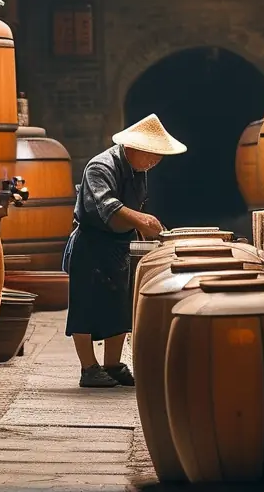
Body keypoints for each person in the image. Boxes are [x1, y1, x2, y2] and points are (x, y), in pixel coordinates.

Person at [62, 114, 187, 388]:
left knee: (118, 307)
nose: (154, 161)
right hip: (91, 242)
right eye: (151, 154)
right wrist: (141, 220)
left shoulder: (139, 170)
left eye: (159, 156)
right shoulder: (100, 166)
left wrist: (144, 228)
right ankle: (88, 368)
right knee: (85, 306)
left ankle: (113, 364)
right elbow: (107, 205)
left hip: (118, 244)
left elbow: (135, 205)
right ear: (133, 147)